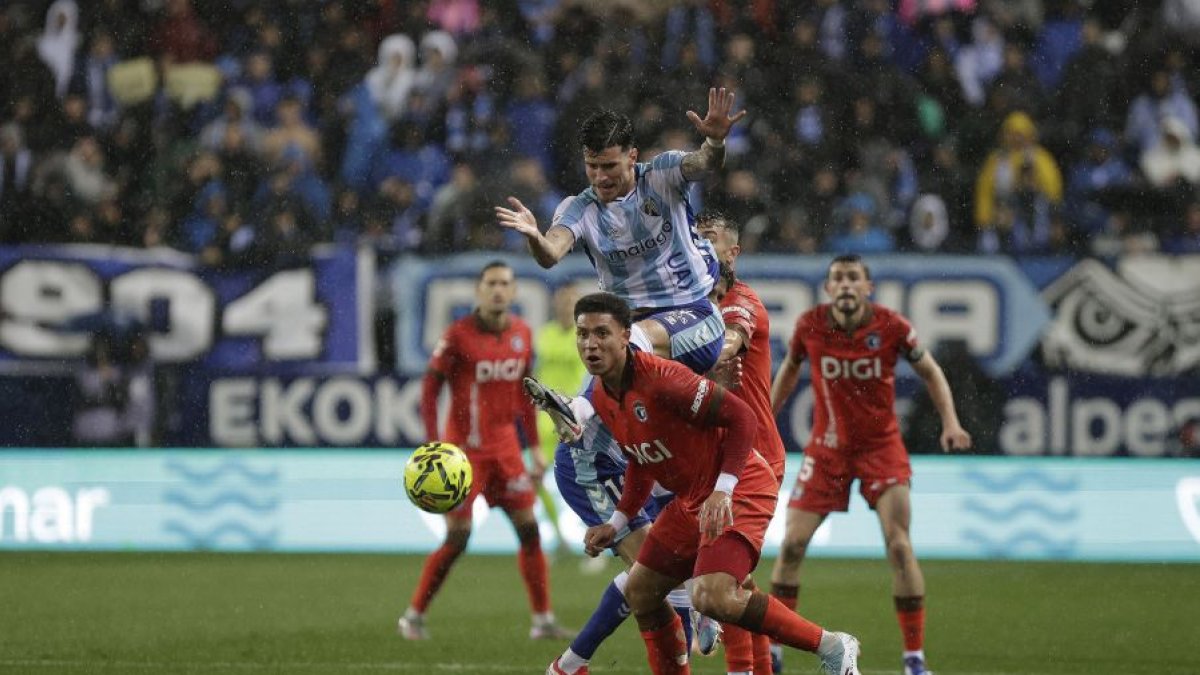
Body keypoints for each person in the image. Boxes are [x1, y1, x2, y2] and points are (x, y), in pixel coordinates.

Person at [564, 291, 862, 675]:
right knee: (641, 592)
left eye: (602, 333)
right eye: (583, 334)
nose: (591, 344)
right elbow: (641, 457)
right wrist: (617, 521)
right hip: (692, 500)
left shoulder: (663, 378)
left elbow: (743, 419)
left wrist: (724, 488)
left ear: (626, 336)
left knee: (712, 597)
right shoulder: (603, 393)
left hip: (740, 487)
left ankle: (833, 646)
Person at [768, 254, 973, 675]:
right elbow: (788, 370)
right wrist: (765, 421)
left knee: (899, 545)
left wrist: (951, 422)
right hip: (827, 450)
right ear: (829, 288)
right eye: (838, 278)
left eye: (853, 277)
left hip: (882, 449)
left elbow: (931, 372)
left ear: (868, 287)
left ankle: (914, 659)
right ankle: (773, 650)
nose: (845, 284)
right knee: (790, 546)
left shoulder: (892, 326)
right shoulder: (809, 325)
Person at [495, 87, 745, 385]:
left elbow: (705, 162)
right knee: (606, 369)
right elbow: (550, 254)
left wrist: (715, 141)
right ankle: (587, 411)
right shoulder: (579, 209)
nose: (600, 177)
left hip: (694, 316)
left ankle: (587, 405)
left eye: (609, 166)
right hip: (630, 329)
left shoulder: (662, 175)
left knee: (619, 343)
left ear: (632, 157)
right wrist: (535, 235)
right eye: (592, 166)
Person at [398, 260, 574, 642]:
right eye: (491, 283)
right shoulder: (458, 336)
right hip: (463, 456)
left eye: (504, 284)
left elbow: (524, 395)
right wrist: (433, 442)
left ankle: (542, 620)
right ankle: (414, 615)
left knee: (529, 529)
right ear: (479, 290)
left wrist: (533, 449)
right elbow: (430, 388)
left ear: (513, 291)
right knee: (458, 537)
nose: (498, 290)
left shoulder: (522, 333)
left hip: (506, 451)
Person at [697, 212, 788, 674]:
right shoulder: (690, 306)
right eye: (694, 238)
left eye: (710, 239)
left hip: (754, 457)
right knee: (732, 583)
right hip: (713, 456)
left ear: (732, 253)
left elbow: (729, 343)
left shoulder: (741, 302)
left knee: (723, 582)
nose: (700, 245)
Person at [533, 284, 589, 554]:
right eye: (563, 302)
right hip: (545, 419)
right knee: (536, 476)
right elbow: (537, 372)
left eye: (571, 302)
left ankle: (595, 531)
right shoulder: (545, 335)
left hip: (574, 416)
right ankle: (559, 536)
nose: (566, 307)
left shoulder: (585, 337)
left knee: (584, 481)